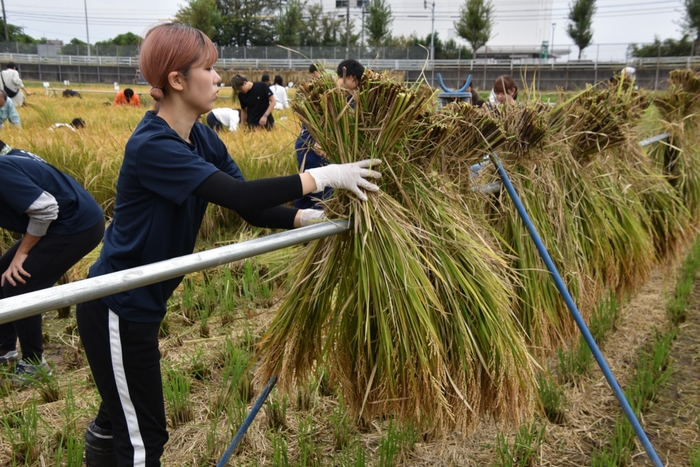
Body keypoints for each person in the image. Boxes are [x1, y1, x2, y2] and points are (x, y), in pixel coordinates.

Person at [75, 23, 381, 467]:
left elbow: (250, 206)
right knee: (144, 441)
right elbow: (239, 197)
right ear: (176, 80)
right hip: (117, 307)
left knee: (120, 420)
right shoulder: (153, 146)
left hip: (142, 304)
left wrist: (310, 216)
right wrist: (326, 176)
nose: (220, 78)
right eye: (209, 68)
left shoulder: (199, 137)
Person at [0, 139, 104, 383]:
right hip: (66, 221)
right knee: (3, 273)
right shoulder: (12, 158)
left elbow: (45, 208)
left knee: (20, 284)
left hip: (75, 226)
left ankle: (34, 364)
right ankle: (5, 349)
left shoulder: (2, 168)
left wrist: (22, 254)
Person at [295, 59, 365, 210]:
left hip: (307, 144)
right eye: (357, 82)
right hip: (313, 146)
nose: (357, 87)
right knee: (321, 194)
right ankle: (316, 230)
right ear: (351, 77)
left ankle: (297, 227)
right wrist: (321, 141)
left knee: (306, 189)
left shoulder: (329, 90)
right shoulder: (332, 93)